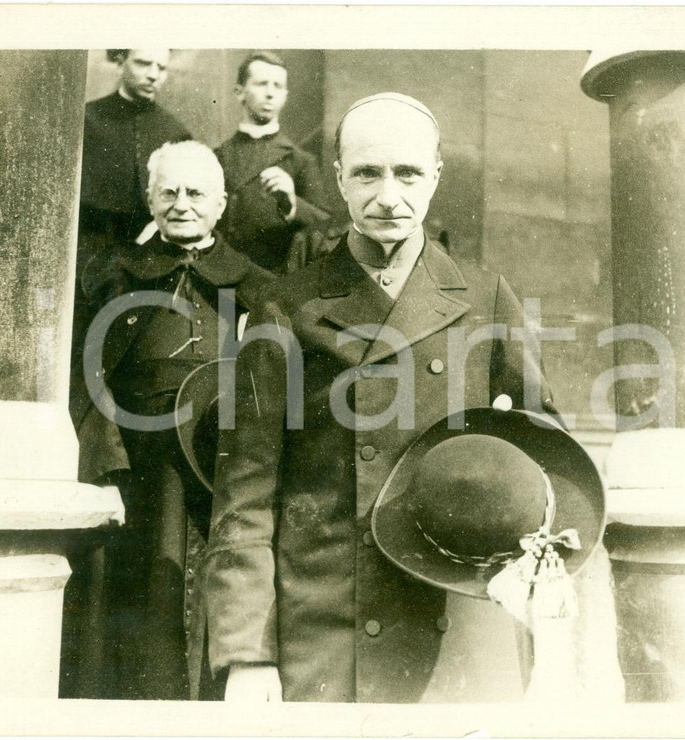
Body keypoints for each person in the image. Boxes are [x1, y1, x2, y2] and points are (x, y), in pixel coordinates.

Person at [204, 93, 561, 703]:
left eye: (409, 173)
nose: (389, 196)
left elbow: (547, 453)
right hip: (327, 622)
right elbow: (245, 493)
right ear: (338, 178)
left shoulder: (486, 297)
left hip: (461, 613)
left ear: (436, 177)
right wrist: (248, 653)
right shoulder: (285, 306)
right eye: (368, 173)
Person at [62, 141, 272, 700]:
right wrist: (103, 455)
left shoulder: (257, 285)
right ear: (150, 200)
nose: (182, 204)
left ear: (222, 204)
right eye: (169, 192)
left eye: (196, 193)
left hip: (219, 469)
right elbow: (82, 371)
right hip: (134, 468)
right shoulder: (108, 276)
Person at [77, 49, 191, 294]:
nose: (153, 75)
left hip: (149, 255)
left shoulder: (174, 132)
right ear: (120, 63)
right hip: (86, 251)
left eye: (161, 68)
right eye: (143, 63)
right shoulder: (86, 119)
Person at [215, 51, 330, 275]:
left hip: (274, 280)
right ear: (239, 93)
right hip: (224, 279)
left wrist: (293, 203)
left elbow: (325, 225)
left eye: (278, 86)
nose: (270, 93)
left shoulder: (300, 160)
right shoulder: (218, 157)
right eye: (261, 84)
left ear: (285, 95)